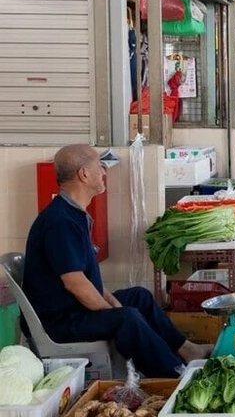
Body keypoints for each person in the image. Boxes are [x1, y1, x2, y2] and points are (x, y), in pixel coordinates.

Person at [22, 145, 211, 378]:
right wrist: (112, 312)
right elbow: (76, 284)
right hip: (60, 322)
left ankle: (188, 350)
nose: (103, 172)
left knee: (138, 297)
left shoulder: (73, 213)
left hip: (75, 309)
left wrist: (114, 304)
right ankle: (174, 376)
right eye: (99, 166)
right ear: (84, 174)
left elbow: (90, 280)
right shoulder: (60, 221)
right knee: (127, 318)